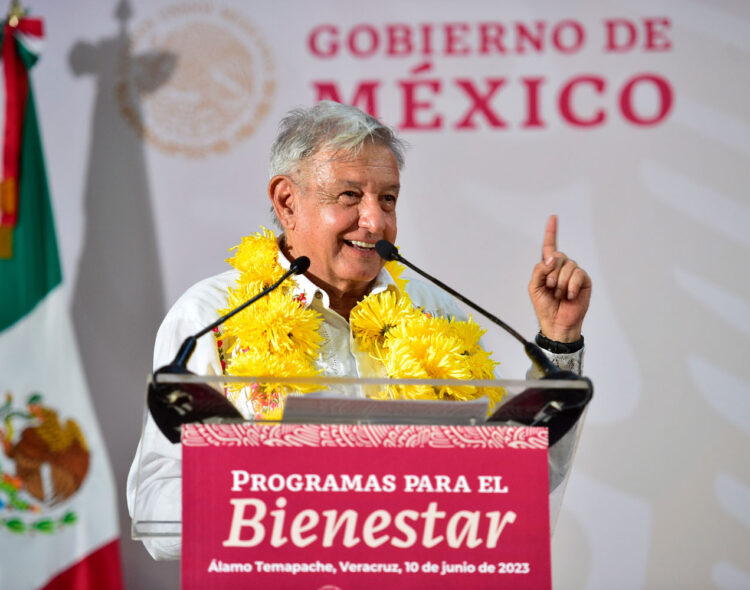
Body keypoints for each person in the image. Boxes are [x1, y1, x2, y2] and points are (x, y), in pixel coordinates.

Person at [127, 101, 591, 560]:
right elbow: (157, 513)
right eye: (349, 196)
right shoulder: (211, 317)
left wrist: (558, 340)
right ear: (287, 201)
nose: (375, 221)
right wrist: (274, 495)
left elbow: (518, 481)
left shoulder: (434, 312)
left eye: (387, 198)